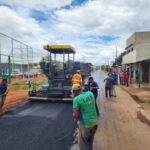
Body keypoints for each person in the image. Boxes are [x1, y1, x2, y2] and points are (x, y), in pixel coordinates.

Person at [72, 84, 98, 150]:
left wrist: (74, 116)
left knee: (83, 144)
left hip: (85, 125)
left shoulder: (76, 99)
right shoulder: (90, 93)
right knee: (90, 141)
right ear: (81, 89)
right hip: (94, 122)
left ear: (75, 91)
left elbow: (76, 115)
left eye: (73, 92)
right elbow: (93, 105)